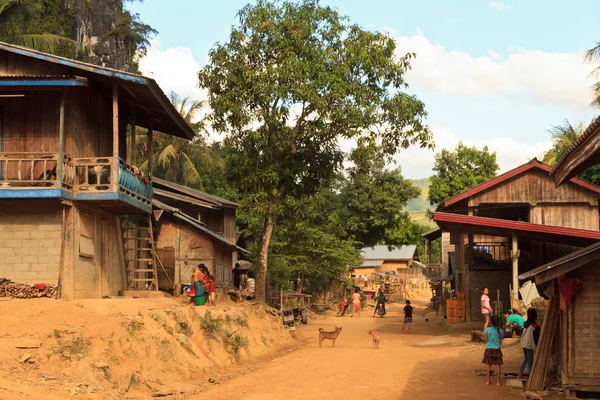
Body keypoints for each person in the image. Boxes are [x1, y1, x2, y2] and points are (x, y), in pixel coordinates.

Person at [518, 308, 540, 380]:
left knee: (526, 359)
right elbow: (536, 337)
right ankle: (531, 376)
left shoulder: (525, 324)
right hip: (529, 344)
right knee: (530, 360)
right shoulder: (535, 326)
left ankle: (520, 373)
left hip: (524, 343)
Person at [482, 314, 503, 385]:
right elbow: (500, 341)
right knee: (498, 365)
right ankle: (498, 382)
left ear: (491, 321)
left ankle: (488, 381)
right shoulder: (500, 330)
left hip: (489, 348)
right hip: (497, 349)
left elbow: (486, 340)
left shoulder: (487, 330)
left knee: (488, 365)